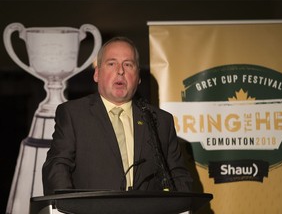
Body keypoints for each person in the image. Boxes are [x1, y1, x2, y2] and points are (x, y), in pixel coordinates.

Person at [42, 36, 193, 195]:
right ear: (97, 74)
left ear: (138, 77)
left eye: (128, 64)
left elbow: (179, 177)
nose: (120, 71)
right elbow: (57, 168)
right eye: (112, 63)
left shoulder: (161, 121)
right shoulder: (74, 114)